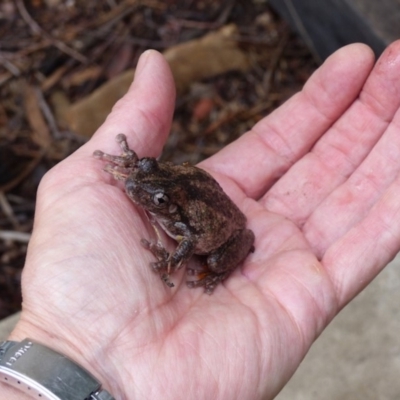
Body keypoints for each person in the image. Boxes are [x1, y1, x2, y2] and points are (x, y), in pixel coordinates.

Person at [2, 40, 400, 400]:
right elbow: (154, 176)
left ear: (165, 203)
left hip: (224, 237)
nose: (138, 190)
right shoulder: (156, 183)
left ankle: (216, 273)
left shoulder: (178, 220)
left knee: (208, 259)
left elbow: (190, 240)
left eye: (153, 197)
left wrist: (171, 260)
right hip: (204, 200)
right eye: (141, 171)